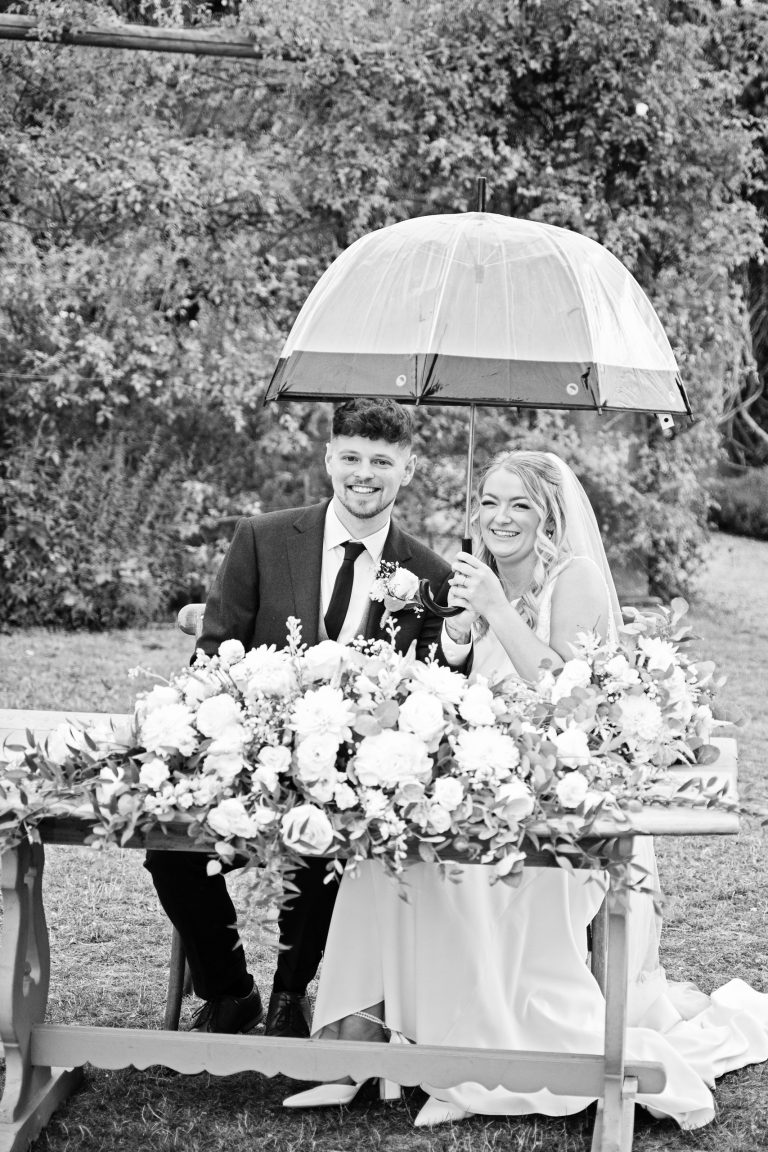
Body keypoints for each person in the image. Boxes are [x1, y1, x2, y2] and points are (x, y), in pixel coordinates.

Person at [283, 450, 768, 1130]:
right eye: (488, 502)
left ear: (548, 516)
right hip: (476, 784)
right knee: (381, 860)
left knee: (469, 879)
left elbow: (572, 699)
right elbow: (450, 688)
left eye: (519, 505)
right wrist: (457, 636)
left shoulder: (575, 579)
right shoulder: (471, 576)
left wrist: (494, 610)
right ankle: (353, 1046)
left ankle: (469, 1059)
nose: (499, 517)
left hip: (563, 809)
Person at [145, 398, 461, 1038]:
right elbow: (212, 655)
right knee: (169, 849)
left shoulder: (430, 575)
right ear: (328, 459)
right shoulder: (261, 538)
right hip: (248, 763)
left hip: (350, 781)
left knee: (329, 841)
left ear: (407, 469)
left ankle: (292, 995)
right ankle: (229, 991)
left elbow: (430, 695)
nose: (364, 474)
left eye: (381, 462)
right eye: (351, 457)